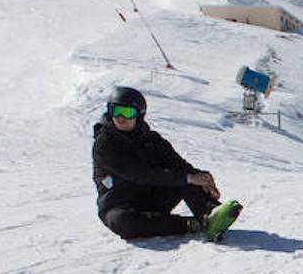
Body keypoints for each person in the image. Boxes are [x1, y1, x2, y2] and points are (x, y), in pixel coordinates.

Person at [92, 86, 242, 241]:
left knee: (185, 176)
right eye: (116, 111)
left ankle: (210, 214)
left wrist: (203, 178)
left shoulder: (150, 139)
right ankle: (192, 225)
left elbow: (178, 164)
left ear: (140, 115)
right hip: (119, 204)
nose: (121, 117)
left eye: (128, 112)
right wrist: (188, 178)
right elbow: (139, 174)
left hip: (151, 198)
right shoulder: (105, 144)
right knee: (123, 222)